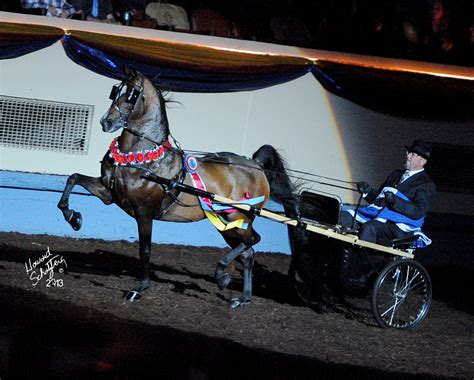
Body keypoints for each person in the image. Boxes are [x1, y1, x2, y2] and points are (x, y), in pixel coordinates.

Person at [340, 140, 436, 247]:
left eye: (412, 154)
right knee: (343, 217)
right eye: (408, 152)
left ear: (423, 161)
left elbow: (418, 212)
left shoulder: (426, 184)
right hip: (378, 216)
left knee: (370, 227)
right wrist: (367, 192)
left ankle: (362, 260)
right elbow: (379, 200)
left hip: (398, 226)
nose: (408, 156)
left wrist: (395, 201)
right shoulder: (395, 174)